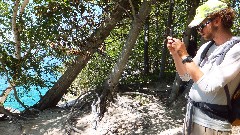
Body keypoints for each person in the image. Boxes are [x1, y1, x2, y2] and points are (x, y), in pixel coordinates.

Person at [167, 0, 240, 134]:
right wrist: (176, 54)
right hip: (192, 117)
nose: (199, 30)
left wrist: (184, 54)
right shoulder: (207, 47)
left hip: (212, 125)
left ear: (217, 20)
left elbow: (209, 86)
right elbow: (186, 76)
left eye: (202, 25)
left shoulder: (236, 50)